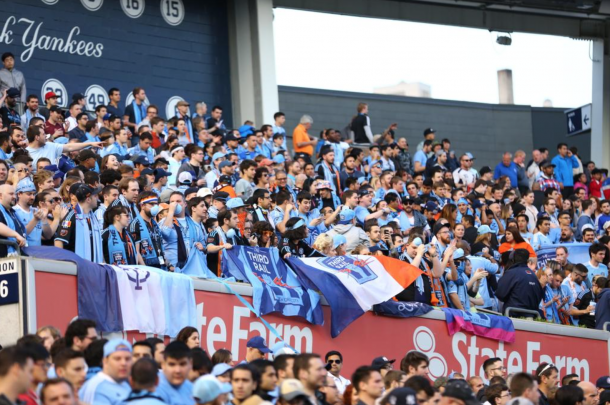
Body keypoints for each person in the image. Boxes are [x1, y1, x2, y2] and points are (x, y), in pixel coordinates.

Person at [54, 184, 104, 262]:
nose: (97, 198)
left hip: (93, 266)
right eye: (95, 196)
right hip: (77, 266)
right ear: (88, 200)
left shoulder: (93, 217)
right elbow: (59, 241)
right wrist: (63, 264)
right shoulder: (72, 216)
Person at [79, 339, 133, 405]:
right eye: (117, 359)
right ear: (105, 361)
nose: (123, 363)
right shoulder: (97, 388)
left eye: (128, 359)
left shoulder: (124, 383)